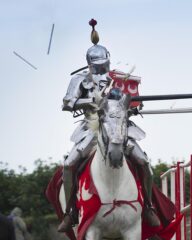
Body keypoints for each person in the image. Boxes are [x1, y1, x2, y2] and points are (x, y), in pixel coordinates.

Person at [57, 19, 160, 232]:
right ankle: (71, 212)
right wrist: (90, 101)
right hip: (92, 127)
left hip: (118, 125)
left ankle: (148, 207)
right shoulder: (79, 80)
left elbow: (129, 100)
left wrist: (133, 104)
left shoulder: (117, 79)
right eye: (98, 65)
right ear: (90, 64)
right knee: (69, 165)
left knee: (143, 160)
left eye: (105, 64)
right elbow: (67, 103)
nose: (102, 68)